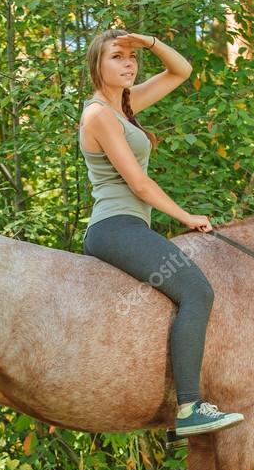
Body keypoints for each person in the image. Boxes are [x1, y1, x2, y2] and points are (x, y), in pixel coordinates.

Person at [78, 28, 244, 442]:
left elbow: (181, 71)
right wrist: (186, 217)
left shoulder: (125, 106)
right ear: (96, 65)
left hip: (130, 226)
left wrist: (146, 40)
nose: (128, 63)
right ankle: (190, 407)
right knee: (197, 291)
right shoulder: (98, 114)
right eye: (117, 56)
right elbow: (138, 185)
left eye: (131, 58)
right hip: (114, 227)